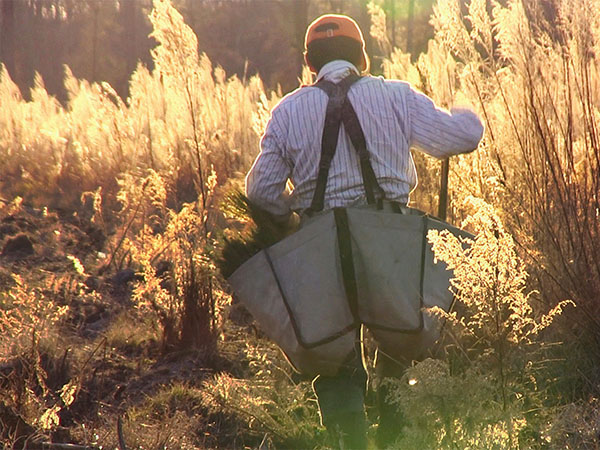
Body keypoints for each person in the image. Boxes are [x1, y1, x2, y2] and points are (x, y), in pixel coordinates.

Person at [245, 13, 483, 449]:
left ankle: (349, 440)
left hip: (319, 243)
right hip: (391, 237)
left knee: (332, 356)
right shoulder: (396, 96)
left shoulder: (287, 111)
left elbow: (259, 192)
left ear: (308, 63)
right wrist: (464, 107)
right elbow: (462, 138)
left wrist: (291, 220)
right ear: (362, 58)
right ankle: (395, 436)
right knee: (401, 345)